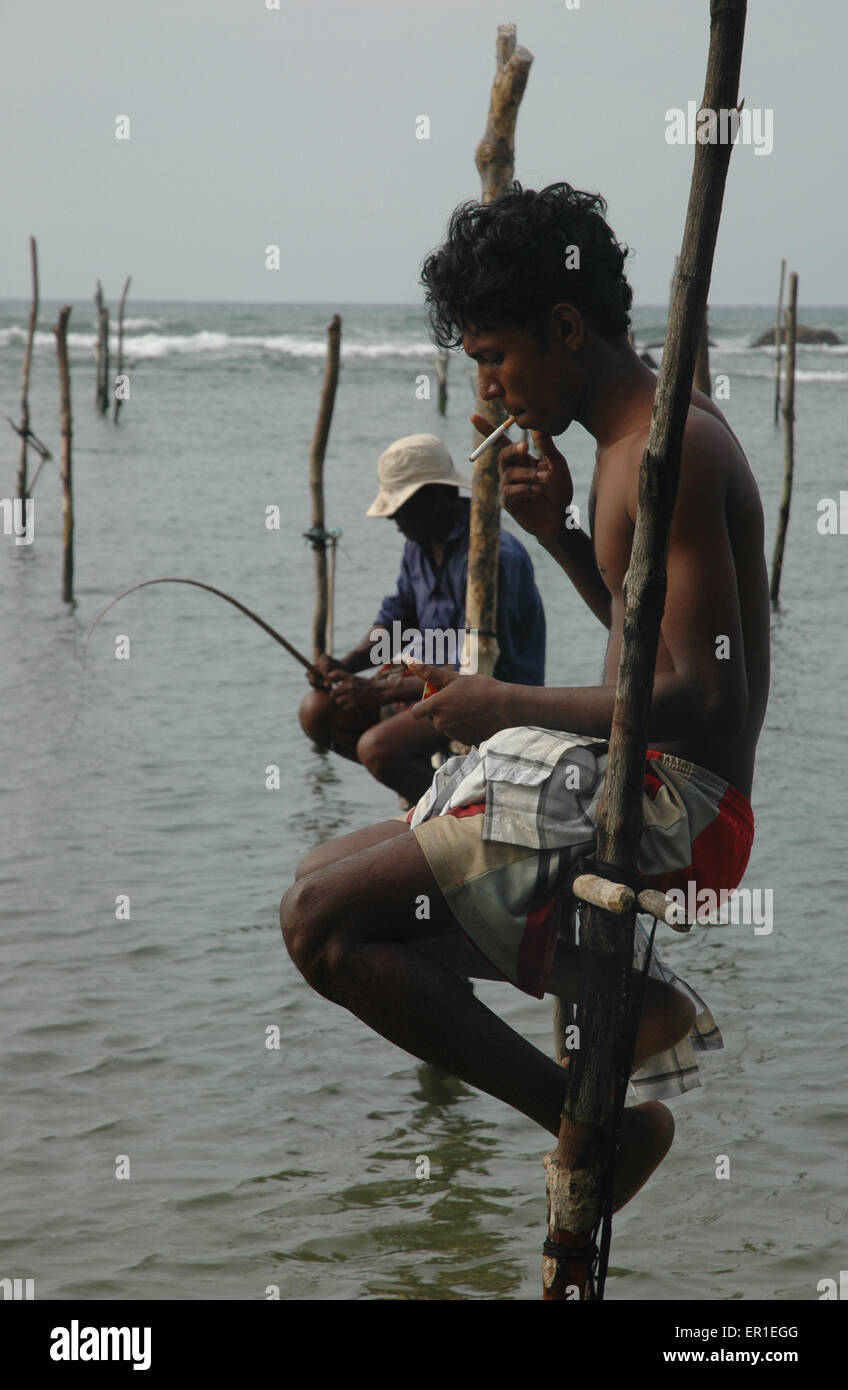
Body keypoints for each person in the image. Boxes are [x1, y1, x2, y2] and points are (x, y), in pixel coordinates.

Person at [281, 183, 770, 1211]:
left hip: (679, 811)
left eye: (493, 358)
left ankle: (589, 1126)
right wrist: (557, 538)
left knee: (324, 922)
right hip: (639, 775)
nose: (491, 393)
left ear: (562, 326)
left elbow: (702, 692)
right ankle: (620, 995)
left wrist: (504, 703)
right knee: (322, 882)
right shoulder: (634, 443)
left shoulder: (664, 455)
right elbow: (646, 648)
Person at [299, 432, 546, 804]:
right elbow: (398, 615)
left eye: (403, 507)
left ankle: (449, 810)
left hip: (490, 695)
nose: (395, 519)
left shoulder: (493, 558)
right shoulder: (418, 543)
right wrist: (346, 665)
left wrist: (380, 690)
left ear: (438, 496)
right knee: (317, 711)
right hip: (428, 681)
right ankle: (434, 792)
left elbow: (478, 666)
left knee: (377, 750)